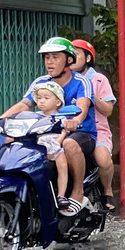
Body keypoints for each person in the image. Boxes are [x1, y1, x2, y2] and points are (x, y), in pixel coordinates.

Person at [0, 37, 94, 210]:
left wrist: (74, 121)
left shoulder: (81, 81)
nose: (49, 62)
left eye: (55, 57)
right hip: (47, 132)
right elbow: (24, 105)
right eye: (47, 57)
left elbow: (83, 106)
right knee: (10, 142)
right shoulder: (40, 82)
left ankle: (77, 191)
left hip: (81, 133)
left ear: (68, 59)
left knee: (69, 144)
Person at [18, 80, 79, 214]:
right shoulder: (35, 117)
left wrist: (57, 142)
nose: (41, 101)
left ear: (58, 102)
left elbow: (64, 131)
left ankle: (61, 195)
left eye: (46, 98)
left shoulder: (61, 117)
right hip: (39, 148)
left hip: (55, 146)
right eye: (39, 98)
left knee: (62, 165)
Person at [72, 39, 117, 211]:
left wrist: (90, 95)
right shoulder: (65, 79)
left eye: (76, 54)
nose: (71, 58)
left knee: (103, 160)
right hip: (70, 129)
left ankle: (107, 190)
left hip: (97, 130)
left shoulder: (98, 80)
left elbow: (108, 110)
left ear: (88, 58)